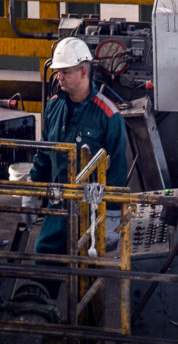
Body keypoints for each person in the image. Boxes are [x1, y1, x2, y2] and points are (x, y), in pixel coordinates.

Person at [31, 36, 131, 254]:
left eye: (65, 72)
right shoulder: (54, 107)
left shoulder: (108, 115)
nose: (59, 78)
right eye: (58, 72)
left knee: (86, 272)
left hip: (91, 210)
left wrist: (113, 219)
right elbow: (44, 152)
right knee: (44, 260)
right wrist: (31, 190)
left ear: (83, 72)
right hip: (58, 204)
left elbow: (117, 171)